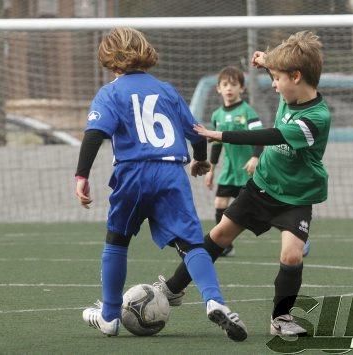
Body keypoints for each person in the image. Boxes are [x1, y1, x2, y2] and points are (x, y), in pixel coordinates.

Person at [75, 27, 247, 342]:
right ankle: (214, 300)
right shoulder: (167, 90)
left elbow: (94, 133)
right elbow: (196, 131)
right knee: (192, 245)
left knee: (117, 240)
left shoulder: (110, 93)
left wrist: (81, 175)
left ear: (111, 62)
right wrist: (201, 160)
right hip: (171, 172)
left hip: (133, 173)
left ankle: (110, 316)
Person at [155, 31, 330, 336]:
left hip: (297, 197)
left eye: (277, 79)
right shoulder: (292, 89)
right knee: (220, 235)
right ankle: (172, 289)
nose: (273, 86)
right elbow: (280, 72)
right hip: (262, 186)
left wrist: (219, 134)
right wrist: (266, 62)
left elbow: (269, 136)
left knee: (291, 255)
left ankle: (281, 319)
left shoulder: (317, 117)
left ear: (297, 76)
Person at [205, 66, 263, 257]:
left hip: (248, 172)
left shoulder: (248, 112)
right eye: (225, 84)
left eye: (234, 84)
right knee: (220, 203)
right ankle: (224, 244)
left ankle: (293, 233)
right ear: (218, 89)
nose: (229, 88)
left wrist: (255, 157)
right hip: (229, 171)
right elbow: (217, 144)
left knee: (261, 210)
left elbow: (261, 138)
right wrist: (211, 169)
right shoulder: (216, 116)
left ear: (242, 88)